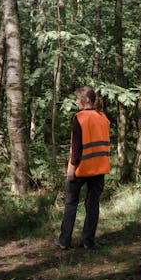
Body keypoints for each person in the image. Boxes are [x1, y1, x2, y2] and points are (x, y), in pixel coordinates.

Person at [55, 86, 111, 250]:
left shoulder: (79, 118)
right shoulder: (103, 117)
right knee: (93, 204)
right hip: (99, 168)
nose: (75, 102)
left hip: (81, 168)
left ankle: (64, 240)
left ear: (85, 101)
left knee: (71, 203)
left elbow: (77, 147)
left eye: (77, 99)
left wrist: (71, 170)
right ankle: (88, 241)